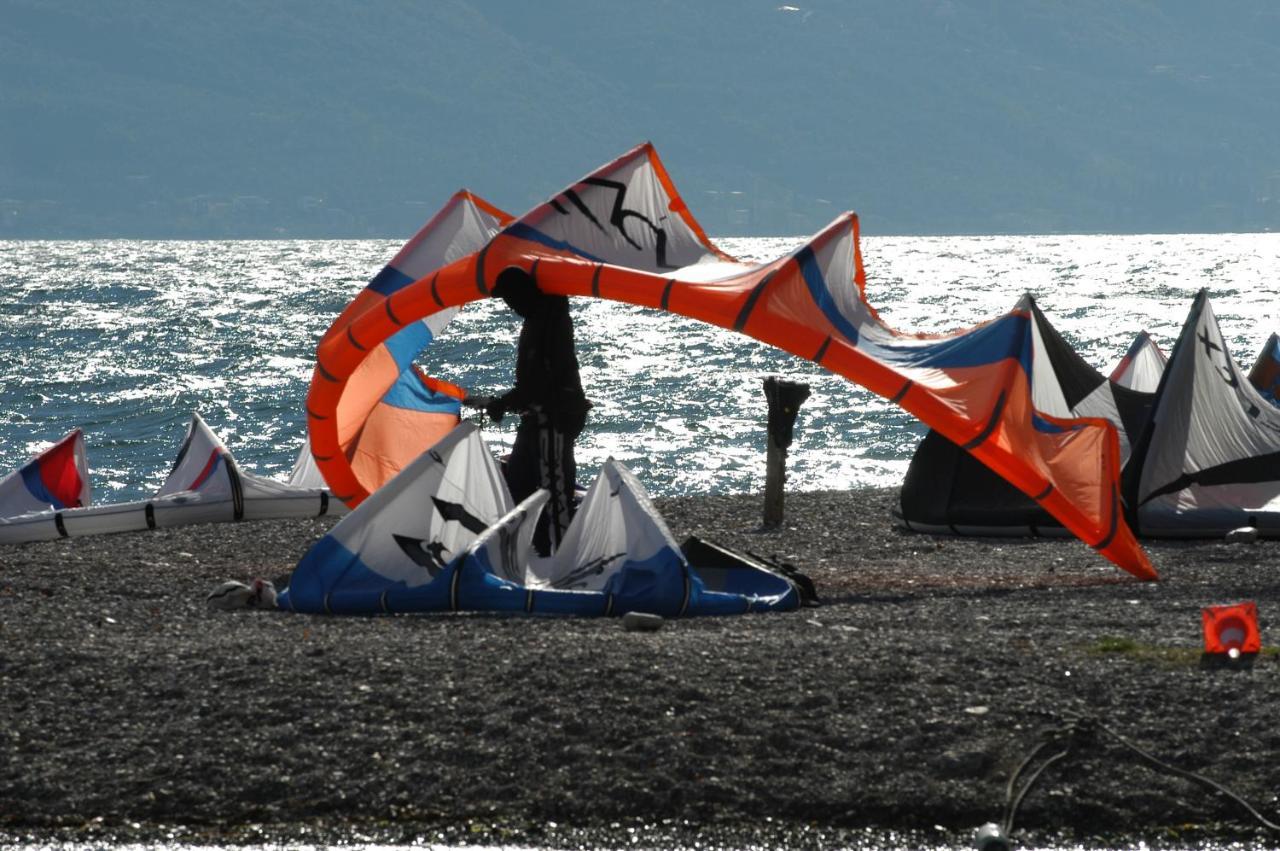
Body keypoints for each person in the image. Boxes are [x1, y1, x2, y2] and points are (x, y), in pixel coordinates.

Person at [486, 267, 590, 556]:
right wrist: (510, 402)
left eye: (510, 298)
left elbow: (542, 381)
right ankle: (531, 548)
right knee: (519, 481)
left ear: (523, 293)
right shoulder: (536, 318)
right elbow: (533, 381)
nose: (509, 305)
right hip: (536, 416)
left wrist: (505, 402)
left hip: (554, 417)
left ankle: (562, 555)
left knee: (555, 489)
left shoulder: (550, 320)